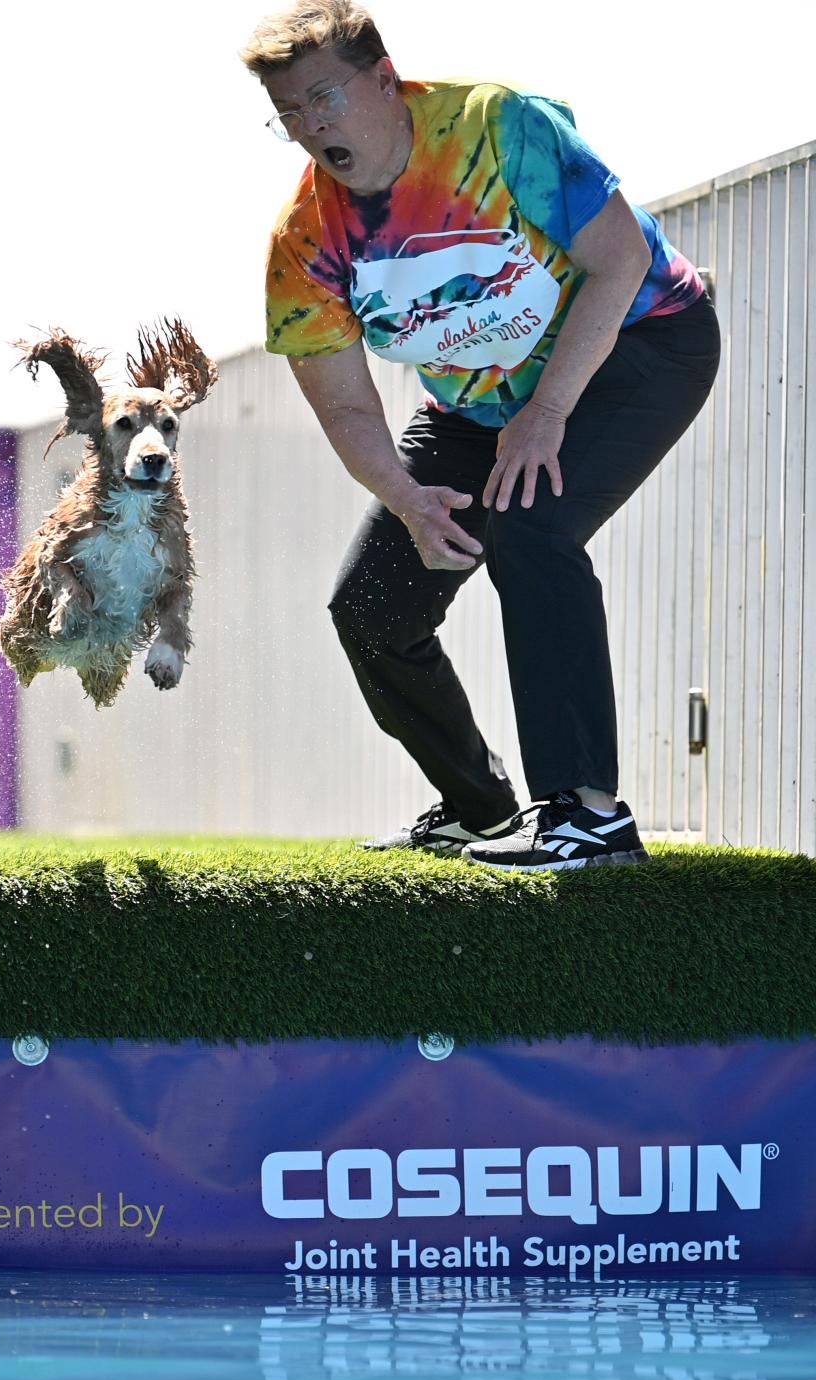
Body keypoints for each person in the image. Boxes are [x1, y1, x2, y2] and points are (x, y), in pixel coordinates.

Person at [240, 0, 720, 872]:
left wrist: (547, 415)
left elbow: (620, 261)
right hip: (479, 409)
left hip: (640, 344)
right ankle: (482, 809)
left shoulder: (496, 127)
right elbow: (347, 408)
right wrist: (404, 496)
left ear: (385, 80)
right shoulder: (304, 240)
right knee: (373, 607)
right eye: (290, 114)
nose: (311, 128)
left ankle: (588, 815)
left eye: (324, 99)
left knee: (532, 531)